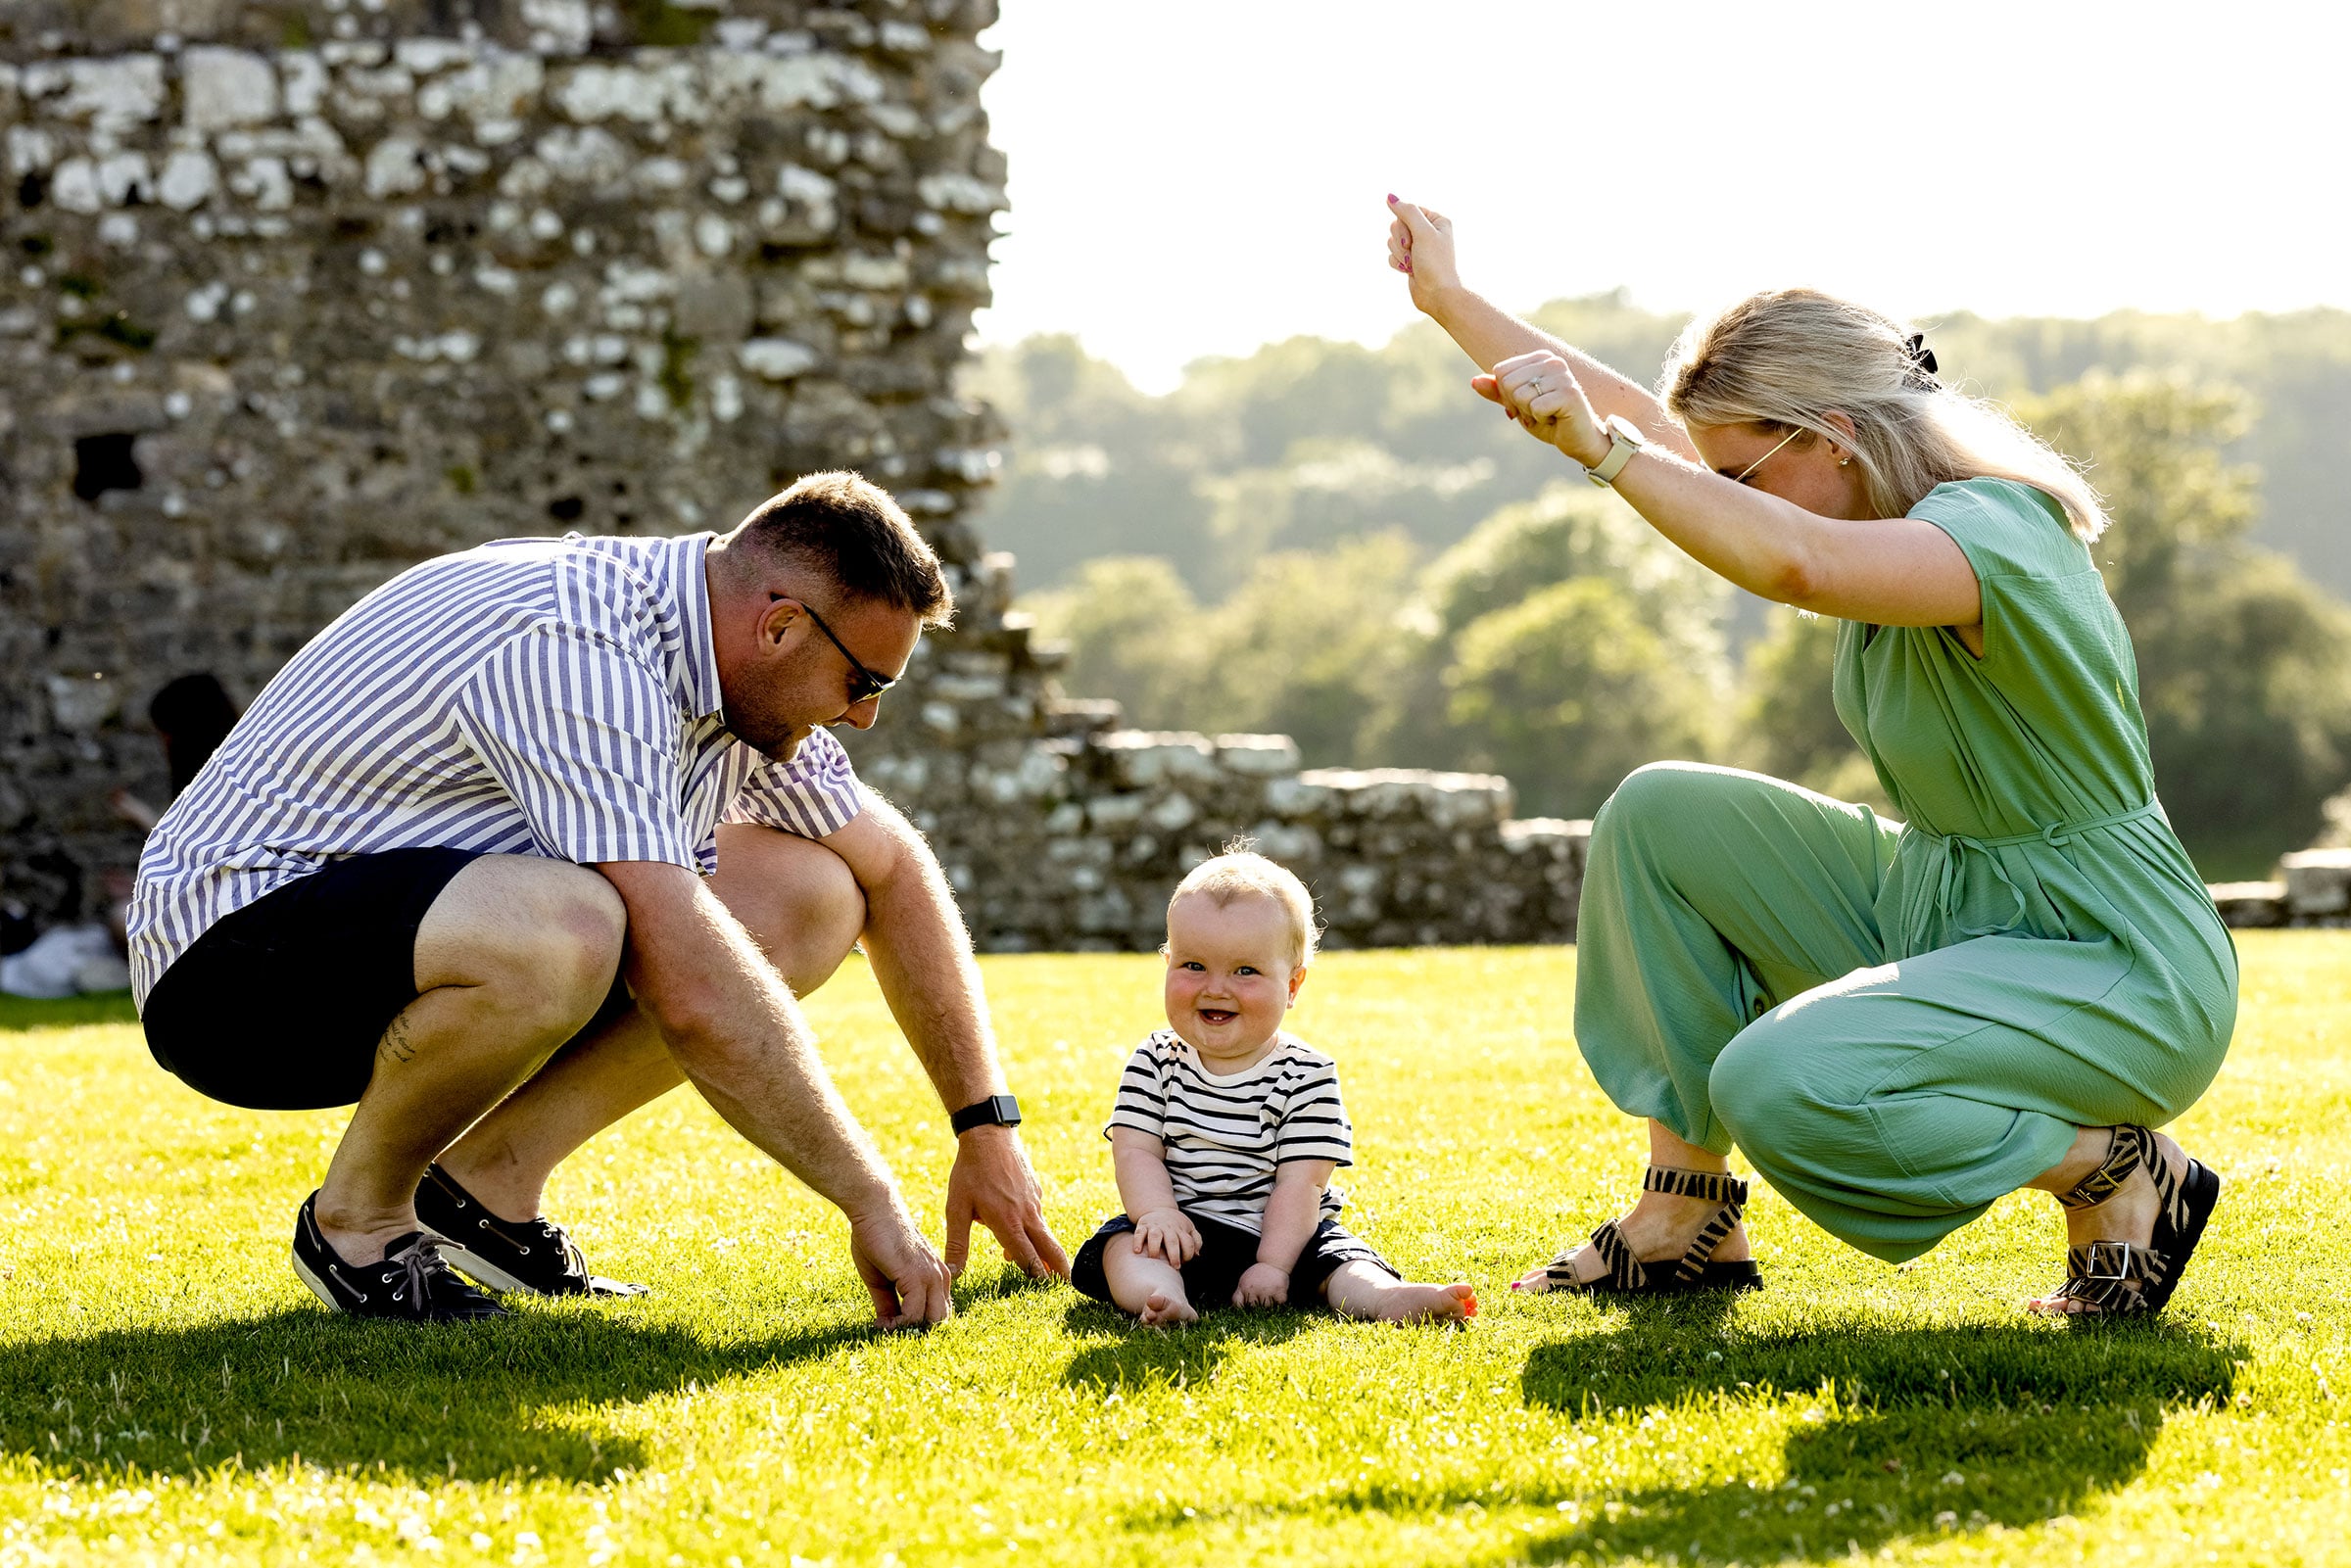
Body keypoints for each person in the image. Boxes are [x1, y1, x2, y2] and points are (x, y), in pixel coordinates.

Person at [1384, 198, 2234, 1317]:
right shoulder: (1874, 509)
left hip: (2114, 956)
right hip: (1955, 896)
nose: (1720, 498)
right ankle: (1686, 1209)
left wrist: (1600, 452)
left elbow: (1789, 559)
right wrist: (1451, 303)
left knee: (1778, 1081)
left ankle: (2115, 1170)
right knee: (1660, 815)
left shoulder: (1995, 532)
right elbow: (1657, 432)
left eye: (1742, 475)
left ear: (1830, 434)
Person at [129, 472, 1069, 1324]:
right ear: (778, 625)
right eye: (863, 681)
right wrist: (873, 1202)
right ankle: (359, 1224)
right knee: (573, 927)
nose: (864, 714)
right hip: (223, 967)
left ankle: (485, 1194)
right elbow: (692, 985)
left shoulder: (729, 678)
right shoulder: (580, 646)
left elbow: (891, 866)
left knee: (811, 894)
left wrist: (984, 1126)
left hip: (395, 936)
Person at [1069, 845, 1478, 1326]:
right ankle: (1163, 1296)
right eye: (1193, 965)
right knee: (1124, 1246)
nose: (1215, 987)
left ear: (1293, 985)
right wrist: (1158, 1213)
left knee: (1341, 1261)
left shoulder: (1307, 1075)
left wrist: (1273, 1264)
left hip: (1286, 1233)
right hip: (1183, 1231)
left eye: (1246, 971)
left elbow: (1301, 1184)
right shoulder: (1155, 1060)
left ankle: (1386, 1298)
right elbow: (1135, 1151)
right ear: (1168, 963)